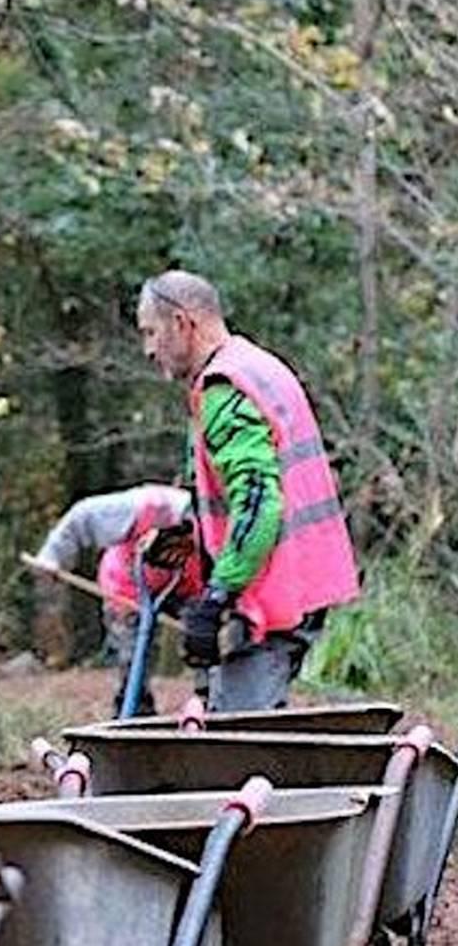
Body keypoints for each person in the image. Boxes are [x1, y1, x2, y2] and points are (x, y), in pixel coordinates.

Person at [134, 270, 359, 711]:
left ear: (182, 323)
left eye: (151, 332)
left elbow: (258, 499)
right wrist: (192, 536)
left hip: (271, 586)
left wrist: (219, 594)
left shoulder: (225, 389)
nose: (148, 348)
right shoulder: (257, 365)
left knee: (241, 733)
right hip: (299, 577)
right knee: (245, 721)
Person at [33, 483, 198, 712]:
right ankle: (135, 713)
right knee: (133, 656)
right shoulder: (146, 505)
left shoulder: (220, 525)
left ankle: (208, 705)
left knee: (203, 642)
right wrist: (53, 556)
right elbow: (84, 515)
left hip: (184, 586)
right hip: (127, 584)